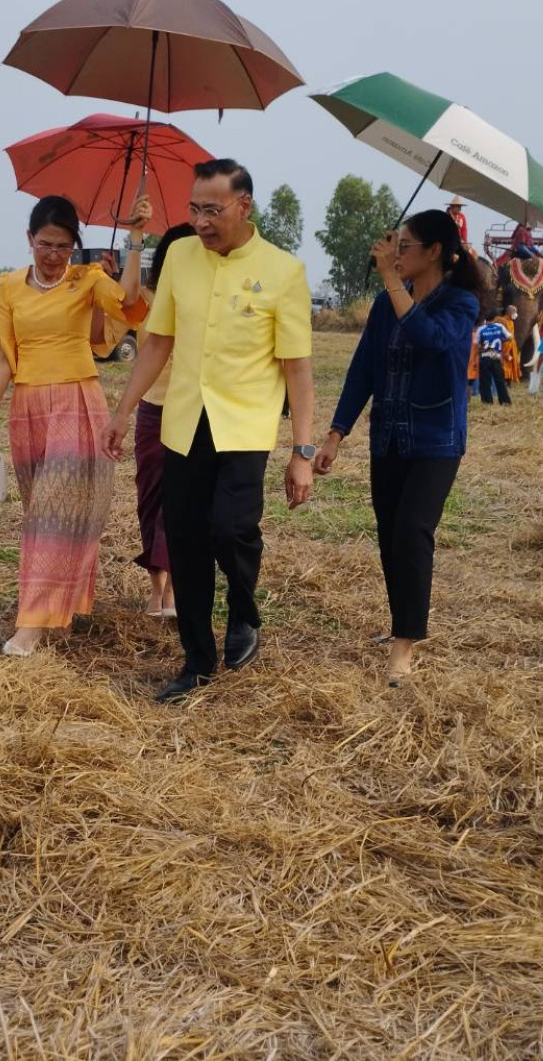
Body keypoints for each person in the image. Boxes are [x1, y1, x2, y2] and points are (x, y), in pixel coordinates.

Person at [101, 159, 315, 703]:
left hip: (245, 427)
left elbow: (297, 368)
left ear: (244, 206)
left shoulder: (283, 270)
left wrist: (302, 451)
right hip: (184, 423)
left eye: (213, 210)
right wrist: (122, 410)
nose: (201, 221)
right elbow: (158, 341)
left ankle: (243, 609)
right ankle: (197, 660)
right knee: (187, 539)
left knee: (231, 529)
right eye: (194, 209)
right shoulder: (180, 258)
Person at [314, 210, 484, 686]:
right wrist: (336, 432)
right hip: (388, 436)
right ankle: (399, 624)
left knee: (412, 530)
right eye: (396, 244)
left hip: (436, 440)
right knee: (391, 535)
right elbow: (363, 369)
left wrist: (391, 281)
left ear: (435, 251)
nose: (396, 253)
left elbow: (431, 340)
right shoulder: (385, 303)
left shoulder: (461, 302)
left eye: (405, 246)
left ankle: (405, 643)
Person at [0, 194, 147, 656]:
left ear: (75, 245)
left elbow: (130, 302)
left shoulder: (88, 279)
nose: (53, 255)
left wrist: (134, 239)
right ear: (29, 239)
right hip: (28, 409)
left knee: (53, 513)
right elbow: (6, 349)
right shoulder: (10, 286)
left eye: (63, 246)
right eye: (45, 244)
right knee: (42, 512)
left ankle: (31, 624)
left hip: (76, 403)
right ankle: (60, 610)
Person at [126, 222, 195, 617]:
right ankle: (157, 589)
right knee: (150, 499)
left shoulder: (206, 300)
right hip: (152, 409)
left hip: (193, 410)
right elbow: (125, 298)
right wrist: (136, 238)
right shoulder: (148, 298)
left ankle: (174, 592)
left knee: (180, 502)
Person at [476, 309, 511, 405]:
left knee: (485, 381)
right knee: (500, 380)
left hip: (485, 356)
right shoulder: (500, 327)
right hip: (496, 356)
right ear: (495, 318)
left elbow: (476, 344)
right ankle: (504, 401)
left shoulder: (481, 329)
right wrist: (501, 340)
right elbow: (510, 337)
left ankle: (487, 401)